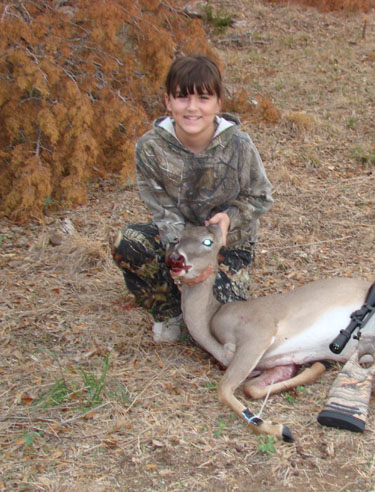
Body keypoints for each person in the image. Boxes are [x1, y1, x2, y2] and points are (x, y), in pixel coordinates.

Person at [111, 54, 273, 343]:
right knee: (129, 243)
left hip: (228, 244)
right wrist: (182, 257)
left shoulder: (239, 145)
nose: (193, 107)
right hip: (179, 240)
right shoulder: (150, 148)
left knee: (224, 328)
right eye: (183, 97)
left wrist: (228, 220)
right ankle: (169, 311)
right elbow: (161, 210)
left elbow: (260, 196)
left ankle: (202, 302)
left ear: (218, 103)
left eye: (203, 97)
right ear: (168, 102)